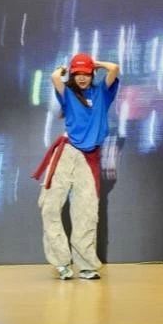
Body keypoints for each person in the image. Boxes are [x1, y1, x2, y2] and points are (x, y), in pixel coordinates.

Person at [32, 52, 120, 280]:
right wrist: (63, 70)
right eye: (78, 73)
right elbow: (54, 77)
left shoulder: (102, 93)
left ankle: (86, 265)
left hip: (89, 158)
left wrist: (95, 63)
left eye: (86, 73)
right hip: (66, 152)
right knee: (49, 206)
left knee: (86, 212)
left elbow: (114, 68)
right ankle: (61, 262)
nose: (82, 77)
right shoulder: (68, 94)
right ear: (72, 75)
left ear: (92, 74)